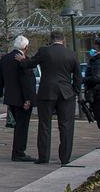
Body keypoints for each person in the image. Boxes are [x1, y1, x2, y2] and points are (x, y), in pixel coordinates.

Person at [16, 30, 81, 165]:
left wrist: (22, 60)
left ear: (51, 40)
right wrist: (74, 91)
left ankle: (43, 157)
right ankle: (65, 158)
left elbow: (30, 64)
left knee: (44, 125)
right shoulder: (72, 54)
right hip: (66, 92)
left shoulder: (44, 51)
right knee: (66, 125)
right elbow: (78, 76)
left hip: (47, 92)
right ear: (63, 40)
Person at [0, 35, 37, 161]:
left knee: (18, 125)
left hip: (11, 98)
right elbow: (26, 81)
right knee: (22, 127)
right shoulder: (22, 60)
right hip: (23, 99)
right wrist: (28, 99)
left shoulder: (5, 59)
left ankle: (17, 151)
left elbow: (0, 79)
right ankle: (19, 152)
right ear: (26, 47)